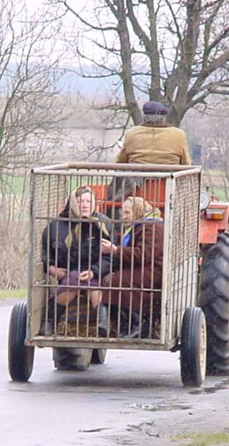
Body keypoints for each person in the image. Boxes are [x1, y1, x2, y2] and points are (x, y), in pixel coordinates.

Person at [41, 186, 111, 334]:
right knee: (73, 280)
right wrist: (52, 269)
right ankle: (50, 320)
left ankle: (103, 324)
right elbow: (46, 253)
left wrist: (94, 271)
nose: (85, 205)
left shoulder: (103, 224)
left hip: (95, 270)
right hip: (68, 270)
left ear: (94, 204)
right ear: (72, 203)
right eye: (80, 201)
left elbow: (110, 257)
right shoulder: (56, 225)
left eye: (88, 201)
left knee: (94, 286)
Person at [100, 196, 164, 338]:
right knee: (111, 278)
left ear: (138, 211)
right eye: (122, 213)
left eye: (127, 213)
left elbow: (143, 254)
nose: (124, 217)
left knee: (117, 281)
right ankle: (121, 323)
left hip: (154, 270)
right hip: (143, 267)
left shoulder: (152, 227)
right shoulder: (140, 226)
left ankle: (139, 323)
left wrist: (115, 250)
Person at [110, 101, 191, 203]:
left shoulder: (132, 133)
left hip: (134, 188)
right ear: (163, 117)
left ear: (144, 116)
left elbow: (121, 161)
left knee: (112, 194)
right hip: (168, 187)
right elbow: (185, 163)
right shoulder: (178, 134)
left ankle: (111, 209)